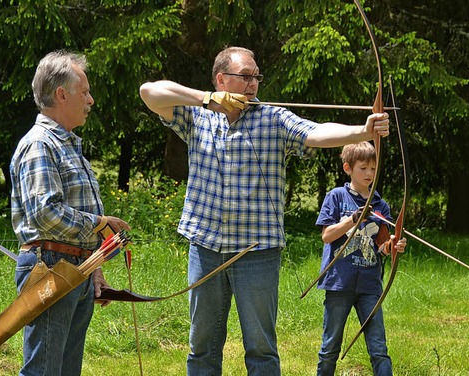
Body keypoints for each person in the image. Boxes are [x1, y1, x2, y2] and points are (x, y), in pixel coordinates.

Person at [139, 46, 390, 375]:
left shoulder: (273, 118)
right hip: (206, 249)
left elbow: (315, 132)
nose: (253, 83)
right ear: (221, 79)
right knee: (202, 346)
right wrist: (207, 99)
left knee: (261, 349)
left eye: (256, 77)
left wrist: (363, 131)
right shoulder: (197, 115)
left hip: (257, 253)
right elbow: (150, 92)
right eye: (244, 77)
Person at [10, 50, 130, 376]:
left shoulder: (67, 145)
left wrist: (95, 271)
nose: (90, 100)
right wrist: (100, 224)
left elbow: (72, 218)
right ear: (62, 95)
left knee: (65, 371)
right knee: (44, 370)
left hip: (76, 268)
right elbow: (45, 214)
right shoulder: (40, 144)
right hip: (49, 267)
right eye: (84, 92)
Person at [315, 141, 407, 376]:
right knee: (329, 348)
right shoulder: (336, 197)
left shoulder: (380, 205)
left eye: (373, 169)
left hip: (369, 286)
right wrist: (353, 219)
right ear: (348, 168)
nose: (369, 174)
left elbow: (382, 247)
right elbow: (327, 236)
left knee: (378, 348)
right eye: (363, 168)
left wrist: (394, 246)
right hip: (339, 284)